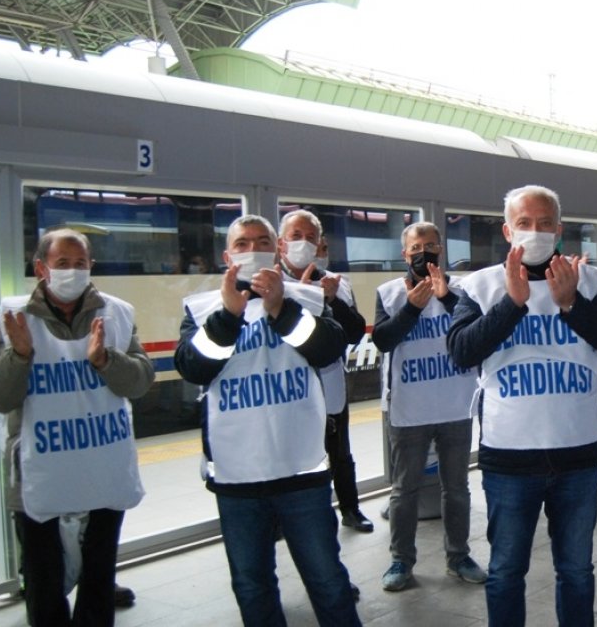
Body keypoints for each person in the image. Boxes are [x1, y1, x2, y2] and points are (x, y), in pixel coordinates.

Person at [447, 185, 597, 627]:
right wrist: (512, 303)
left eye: (545, 223)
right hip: (509, 457)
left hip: (577, 453)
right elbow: (461, 351)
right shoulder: (481, 285)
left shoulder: (589, 281)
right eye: (525, 224)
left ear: (559, 229)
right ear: (508, 230)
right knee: (507, 570)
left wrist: (570, 304)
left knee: (577, 570)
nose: (536, 232)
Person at [174, 215, 359, 626]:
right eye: (242, 244)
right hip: (238, 477)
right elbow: (192, 367)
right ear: (228, 255)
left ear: (276, 250)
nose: (252, 249)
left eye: (262, 241)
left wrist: (280, 309)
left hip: (302, 470)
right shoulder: (203, 308)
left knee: (328, 581)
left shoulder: (305, 297)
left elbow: (329, 348)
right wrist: (227, 316)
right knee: (252, 584)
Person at [0, 228, 153, 626]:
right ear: (41, 268)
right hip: (40, 476)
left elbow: (141, 381)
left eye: (80, 264)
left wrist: (106, 361)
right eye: (62, 264)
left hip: (102, 471)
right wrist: (20, 356)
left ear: (91, 266)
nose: (72, 272)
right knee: (44, 583)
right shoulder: (13, 317)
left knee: (98, 576)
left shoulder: (117, 313)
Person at [372, 221, 486, 591]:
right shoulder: (390, 293)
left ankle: (459, 556)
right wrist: (410, 309)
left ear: (441, 249)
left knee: (456, 488)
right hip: (410, 409)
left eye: (431, 245)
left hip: (455, 405)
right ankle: (400, 561)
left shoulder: (464, 289)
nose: (424, 252)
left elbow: (477, 334)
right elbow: (384, 342)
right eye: (416, 247)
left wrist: (447, 297)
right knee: (404, 490)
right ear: (405, 254)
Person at [277, 210, 374, 533]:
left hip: (330, 381)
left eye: (310, 237)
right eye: (295, 236)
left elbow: (356, 332)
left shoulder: (336, 283)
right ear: (281, 244)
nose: (303, 243)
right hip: (287, 388)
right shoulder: (272, 285)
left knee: (339, 452)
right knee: (294, 454)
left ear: (320, 244)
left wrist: (330, 301)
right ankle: (291, 519)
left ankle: (350, 508)